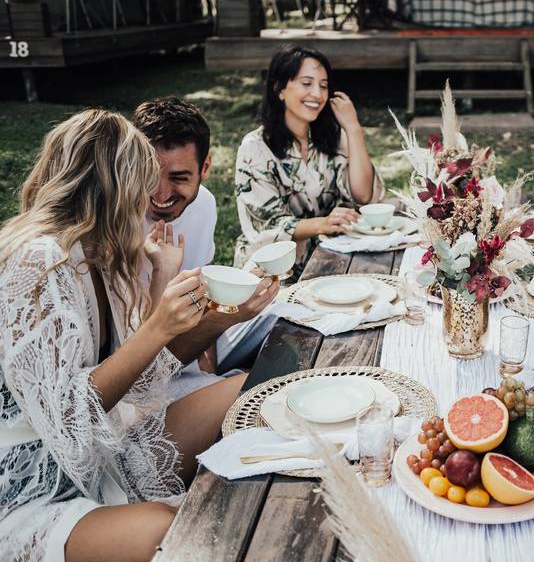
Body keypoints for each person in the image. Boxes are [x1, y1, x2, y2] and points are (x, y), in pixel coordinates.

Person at [0, 110, 246, 561]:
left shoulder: (100, 255)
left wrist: (162, 281)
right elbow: (70, 430)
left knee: (252, 394)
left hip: (105, 451)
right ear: (111, 189)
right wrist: (158, 328)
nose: (150, 198)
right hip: (30, 487)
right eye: (140, 184)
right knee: (169, 535)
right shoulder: (37, 262)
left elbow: (143, 388)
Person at [134, 97, 278, 388]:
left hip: (190, 343)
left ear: (206, 167)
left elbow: (201, 297)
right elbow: (142, 363)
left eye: (179, 178)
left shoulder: (204, 205)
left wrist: (208, 369)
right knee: (260, 388)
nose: (161, 195)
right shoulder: (119, 217)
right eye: (149, 175)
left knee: (286, 316)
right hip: (142, 365)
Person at [234, 46, 385, 277]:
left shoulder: (333, 139)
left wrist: (354, 130)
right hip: (272, 271)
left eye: (323, 86)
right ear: (279, 88)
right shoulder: (254, 148)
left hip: (332, 258)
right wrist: (322, 224)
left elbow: (363, 196)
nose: (317, 94)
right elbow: (267, 224)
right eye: (307, 83)